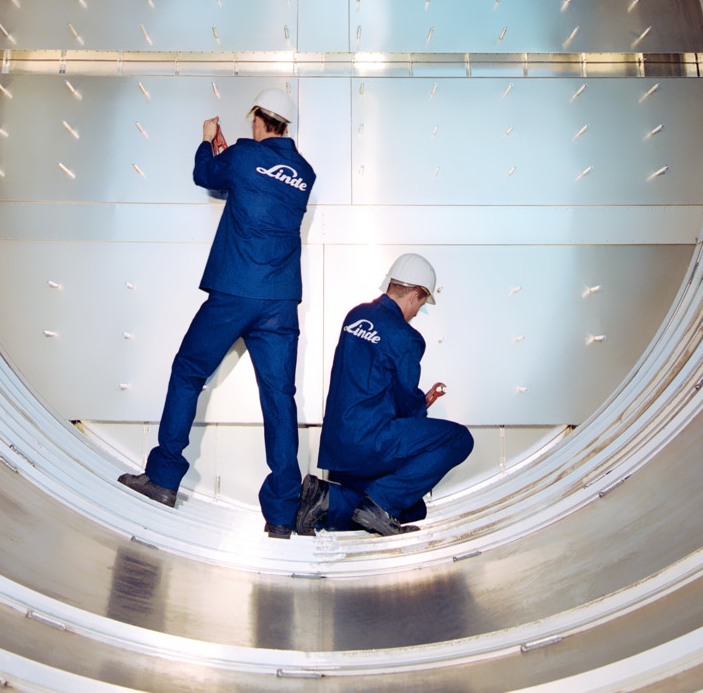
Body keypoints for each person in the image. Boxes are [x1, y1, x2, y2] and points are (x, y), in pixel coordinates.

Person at [119, 88, 316, 537]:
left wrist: (209, 141)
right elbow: (260, 190)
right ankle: (283, 514)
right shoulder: (305, 173)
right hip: (281, 302)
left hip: (234, 293)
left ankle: (164, 477)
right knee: (279, 399)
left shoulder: (244, 155)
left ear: (259, 121)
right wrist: (236, 158)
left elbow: (207, 175)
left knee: (188, 371)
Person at [295, 253, 473, 537]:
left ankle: (326, 498)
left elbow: (369, 380)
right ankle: (379, 502)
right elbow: (405, 403)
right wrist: (420, 407)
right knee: (459, 439)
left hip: (337, 448)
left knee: (413, 509)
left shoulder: (355, 315)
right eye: (422, 304)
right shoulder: (406, 336)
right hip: (369, 443)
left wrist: (414, 401)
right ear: (415, 294)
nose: (417, 312)